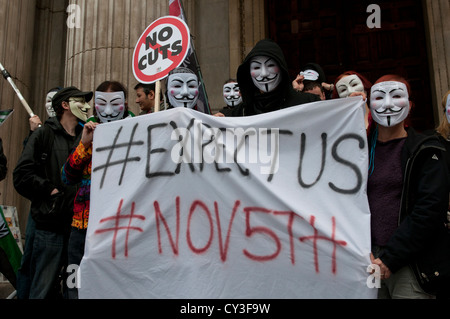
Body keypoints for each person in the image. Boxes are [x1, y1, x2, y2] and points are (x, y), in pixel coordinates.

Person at [367, 75, 450, 299]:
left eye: (396, 96)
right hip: (368, 260)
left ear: (410, 105)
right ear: (368, 103)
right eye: (378, 98)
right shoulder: (358, 150)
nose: (387, 104)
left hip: (410, 263)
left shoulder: (427, 150)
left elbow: (429, 210)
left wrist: (391, 258)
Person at [13, 86, 92, 299]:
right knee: (42, 288)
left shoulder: (86, 136)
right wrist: (50, 190)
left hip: (78, 231)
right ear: (65, 105)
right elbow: (21, 175)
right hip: (50, 229)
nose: (87, 106)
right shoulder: (43, 134)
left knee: (73, 290)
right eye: (81, 101)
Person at [61, 81, 134, 299]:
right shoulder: (86, 132)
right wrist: (84, 145)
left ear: (126, 103)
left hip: (122, 225)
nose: (109, 111)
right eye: (102, 104)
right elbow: (67, 176)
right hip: (83, 226)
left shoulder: (137, 131)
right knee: (75, 281)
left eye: (115, 104)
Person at [16, 86, 61, 299]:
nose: (49, 105)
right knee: (30, 261)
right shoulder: (41, 133)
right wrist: (32, 134)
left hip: (63, 209)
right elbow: (25, 167)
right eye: (46, 101)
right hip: (40, 209)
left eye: (54, 100)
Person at [234, 39, 320, 117]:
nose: (264, 74)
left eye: (271, 66)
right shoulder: (242, 112)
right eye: (256, 68)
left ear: (281, 68)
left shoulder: (308, 103)